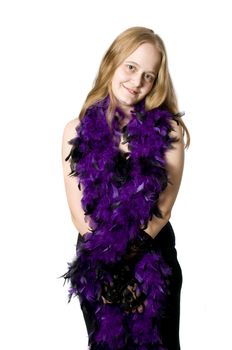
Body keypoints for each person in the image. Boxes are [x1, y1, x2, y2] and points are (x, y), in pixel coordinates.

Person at [60, 26, 190, 350]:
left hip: (151, 258)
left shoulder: (168, 131)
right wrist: (109, 264)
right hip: (98, 261)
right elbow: (79, 215)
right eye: (131, 67)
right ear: (112, 62)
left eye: (149, 75)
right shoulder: (74, 130)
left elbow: (164, 206)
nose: (137, 82)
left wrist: (130, 257)